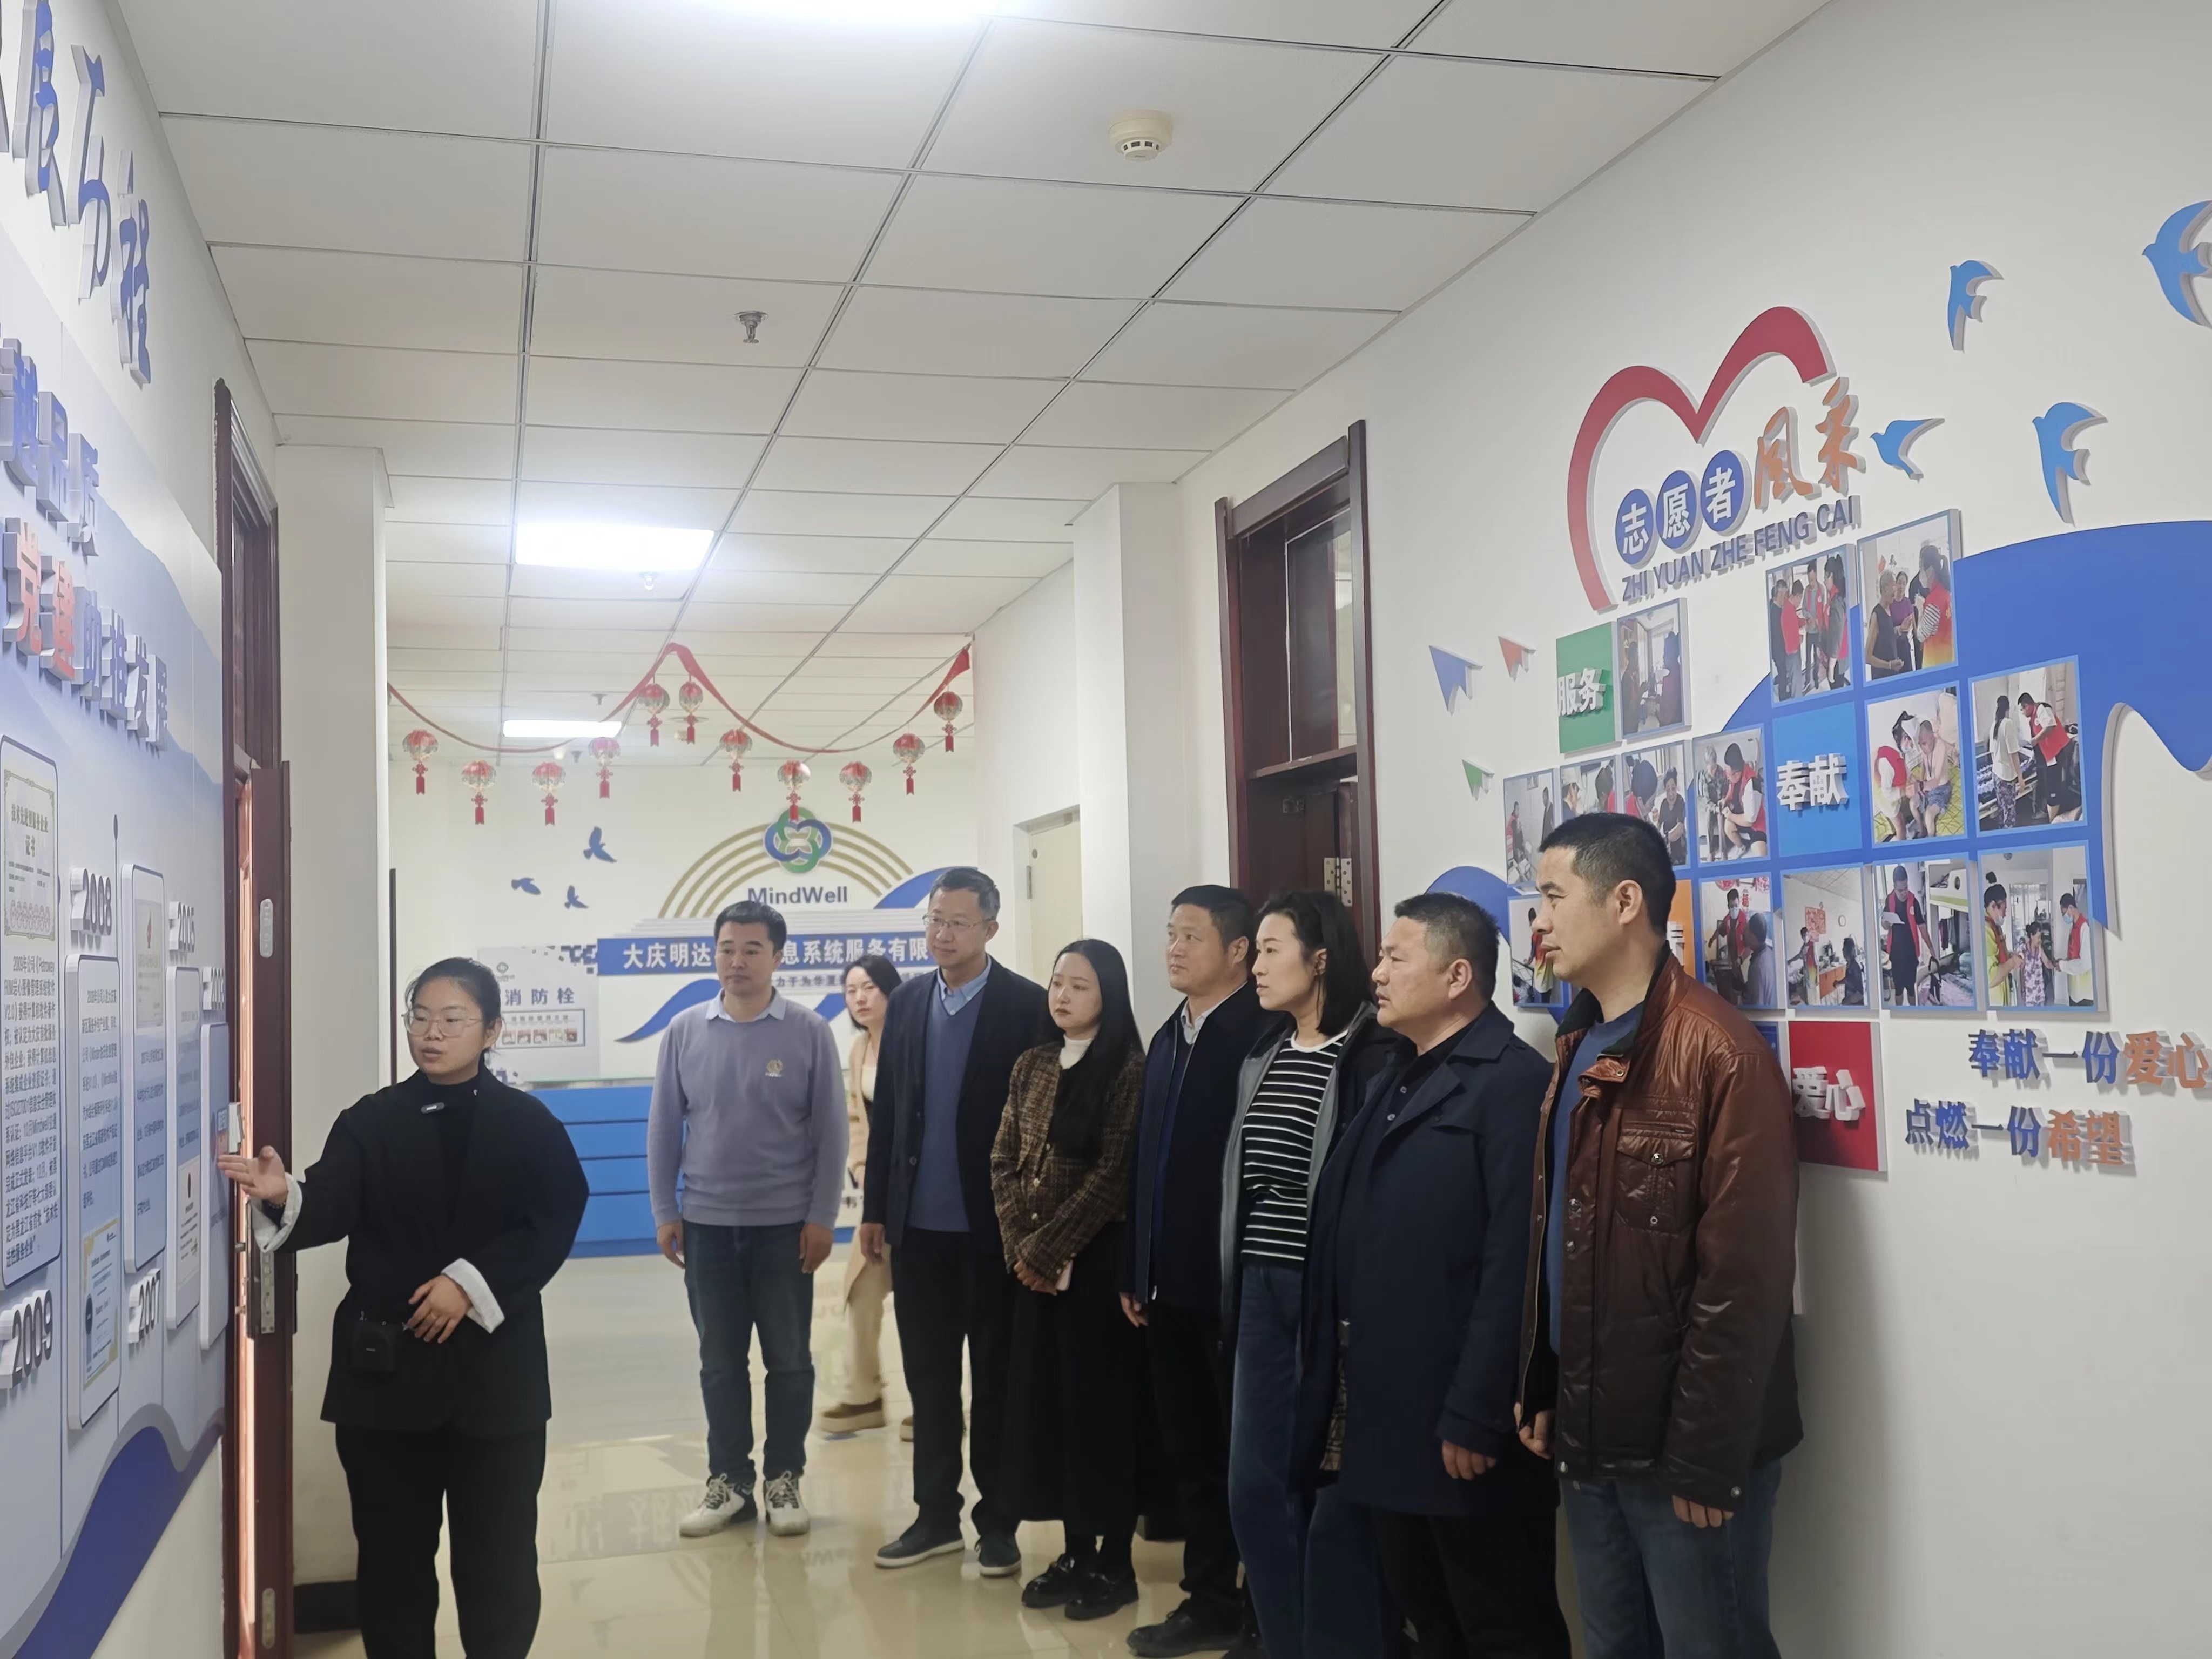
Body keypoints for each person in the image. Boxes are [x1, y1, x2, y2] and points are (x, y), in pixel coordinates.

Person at [218, 960, 588, 1659]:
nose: (431, 1033)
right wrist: (284, 1194)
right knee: (392, 1568)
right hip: (385, 1383)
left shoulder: (528, 1125)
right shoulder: (372, 1120)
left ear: (491, 1030)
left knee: (501, 1564)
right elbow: (330, 1205)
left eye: (452, 1019)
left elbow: (555, 1218)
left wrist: (469, 1283)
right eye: (419, 1017)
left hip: (496, 1383)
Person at [1518, 815, 1800, 1659]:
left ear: (1624, 902)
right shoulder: (1576, 1040)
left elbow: (1743, 1277)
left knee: (1711, 1643)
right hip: (1588, 1425)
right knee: (1613, 1642)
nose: (1538, 921)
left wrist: (1709, 1454)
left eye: (1553, 897)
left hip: (1682, 1447)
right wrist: (1543, 1380)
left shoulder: (1719, 1053)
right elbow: (1562, 1239)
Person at [1297, 894, 1569, 1659]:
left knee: (1500, 1621)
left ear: (1457, 977)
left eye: (1396, 958)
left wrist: (1478, 1411)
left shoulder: (1511, 1083)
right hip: (1389, 1410)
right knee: (1427, 1617)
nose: (1377, 974)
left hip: (1461, 1419)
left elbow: (1514, 1265)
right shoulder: (1398, 1072)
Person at [1224, 892, 1406, 1659]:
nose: (1257, 966)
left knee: (1332, 1495)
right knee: (1254, 1487)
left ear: (1320, 958)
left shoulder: (1372, 1056)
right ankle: (1286, 1641)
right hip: (1259, 1288)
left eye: (1271, 949)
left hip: (1330, 1296)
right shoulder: (1263, 1054)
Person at [860, 868, 1049, 1573]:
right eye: (935, 921)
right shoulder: (908, 1002)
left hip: (995, 1233)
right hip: (918, 1233)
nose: (942, 934)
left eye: (958, 923)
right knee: (930, 1381)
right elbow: (888, 1114)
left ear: (990, 929)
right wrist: (877, 1210)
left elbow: (1041, 1126)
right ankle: (934, 1516)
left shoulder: (1026, 1006)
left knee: (996, 1380)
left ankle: (998, 1523)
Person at [649, 901, 847, 1540]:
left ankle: (783, 1477)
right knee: (719, 1362)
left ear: (778, 957)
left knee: (788, 1361)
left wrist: (822, 1216)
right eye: (726, 948)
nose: (737, 961)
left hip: (786, 1228)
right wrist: (665, 1209)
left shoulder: (809, 1031)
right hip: (706, 1226)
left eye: (752, 949)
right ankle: (729, 1482)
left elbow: (832, 1132)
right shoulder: (684, 1030)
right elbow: (664, 1127)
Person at [1122, 887, 1269, 1658]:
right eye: (1170, 934)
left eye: (1191, 937)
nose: (1174, 949)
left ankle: (1262, 1611)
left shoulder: (1260, 1035)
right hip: (1166, 1288)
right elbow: (1145, 1161)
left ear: (1238, 951)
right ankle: (1208, 1600)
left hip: (1231, 1292)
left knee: (1247, 1460)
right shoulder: (1169, 1033)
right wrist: (1136, 1266)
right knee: (1193, 1456)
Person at [993, 941, 1149, 1622]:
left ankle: (1115, 1562)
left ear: (1108, 995)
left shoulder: (1129, 1069)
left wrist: (1052, 1249)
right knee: (1050, 1412)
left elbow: (1113, 1178)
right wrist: (1023, 1251)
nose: (1061, 996)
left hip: (1095, 1270)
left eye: (1079, 986)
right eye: (1057, 983)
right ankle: (1074, 1551)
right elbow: (1002, 1159)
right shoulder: (1031, 1064)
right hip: (1033, 1270)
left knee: (1098, 1416)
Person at [820, 954, 902, 1437]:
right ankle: (863, 1396)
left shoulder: (912, 1042)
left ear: (892, 989)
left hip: (918, 1197)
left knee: (920, 1302)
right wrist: (861, 1165)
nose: (859, 998)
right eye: (851, 990)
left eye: (869, 987)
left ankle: (937, 1405)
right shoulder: (857, 1049)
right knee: (862, 1288)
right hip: (878, 1200)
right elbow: (857, 1118)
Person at [1883, 866, 1929, 1007]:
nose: (1904, 893)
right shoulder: (1889, 901)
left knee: (1911, 989)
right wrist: (1886, 924)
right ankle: (1899, 1015)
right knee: (1898, 990)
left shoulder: (1913, 901)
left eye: (1906, 888)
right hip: (1896, 955)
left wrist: (1932, 950)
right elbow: (1884, 924)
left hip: (1911, 954)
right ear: (1894, 887)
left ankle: (1913, 1015)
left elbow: (1922, 927)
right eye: (1900, 890)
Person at [1719, 743, 1765, 858]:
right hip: (1741, 817)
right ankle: (1742, 846)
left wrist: (1730, 816)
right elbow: (1731, 790)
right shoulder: (1735, 776)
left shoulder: (1752, 784)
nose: (1727, 777)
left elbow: (1750, 821)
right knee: (1728, 827)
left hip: (1756, 823)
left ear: (1738, 774)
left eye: (1728, 774)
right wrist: (1725, 799)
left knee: (1761, 856)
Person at [1916, 542, 1954, 667]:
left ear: (1930, 570)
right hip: (1948, 658)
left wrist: (1920, 610)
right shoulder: (1946, 593)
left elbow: (1921, 635)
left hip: (1935, 663)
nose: (1920, 573)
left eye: (1921, 568)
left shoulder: (1933, 602)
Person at [1866, 569, 1910, 680]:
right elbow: (1867, 657)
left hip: (1892, 675)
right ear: (1885, 588)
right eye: (1894, 585)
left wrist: (1900, 629)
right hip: (1881, 678)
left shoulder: (1889, 610)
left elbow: (1886, 636)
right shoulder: (1876, 615)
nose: (1896, 590)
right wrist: (1889, 665)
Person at [1984, 881, 2021, 1008]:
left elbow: (1999, 956)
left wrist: (2010, 955)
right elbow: (1991, 977)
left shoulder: (1995, 926)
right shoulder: (1986, 930)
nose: (2005, 914)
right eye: (2004, 910)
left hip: (2002, 993)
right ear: (1993, 905)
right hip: (1994, 1001)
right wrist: (2013, 963)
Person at [1987, 694, 2021, 830]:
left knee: (2002, 810)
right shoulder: (2008, 723)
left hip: (1996, 775)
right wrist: (2021, 778)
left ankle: (2001, 834)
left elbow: (1992, 753)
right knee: (2010, 814)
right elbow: (2014, 754)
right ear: (2008, 708)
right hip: (2006, 777)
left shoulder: (1994, 725)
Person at [2059, 893, 2096, 1006]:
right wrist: (2064, 961)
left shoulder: (2085, 928)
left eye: (2064, 913)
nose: (2064, 916)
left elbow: (2085, 963)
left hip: (2084, 994)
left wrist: (2063, 966)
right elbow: (2074, 956)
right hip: (2074, 991)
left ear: (2071, 907)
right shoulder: (2073, 929)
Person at [1742, 912, 1777, 1009]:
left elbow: (1758, 1009)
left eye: (1746, 930)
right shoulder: (1769, 954)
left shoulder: (1758, 967)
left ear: (1753, 936)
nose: (1743, 933)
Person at [1655, 767, 1687, 867]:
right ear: (1665, 790)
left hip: (1680, 850)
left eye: (1673, 788)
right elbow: (1658, 825)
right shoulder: (1664, 804)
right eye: (1668, 790)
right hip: (1668, 851)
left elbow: (1680, 829)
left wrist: (1664, 840)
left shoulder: (1681, 802)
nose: (1671, 793)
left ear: (1676, 787)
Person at [1842, 936, 1865, 1007]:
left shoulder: (1855, 967)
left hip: (1856, 1004)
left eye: (1844, 948)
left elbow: (1860, 993)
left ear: (1848, 951)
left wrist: (1847, 1001)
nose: (1842, 950)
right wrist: (1838, 983)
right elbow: (1848, 980)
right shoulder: (1849, 965)